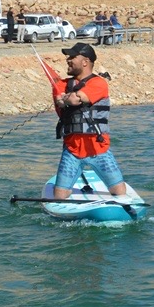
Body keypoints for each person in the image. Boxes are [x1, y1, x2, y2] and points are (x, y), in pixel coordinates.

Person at [50, 42, 128, 200]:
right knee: (59, 196)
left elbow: (76, 99)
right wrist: (64, 98)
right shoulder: (61, 84)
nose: (68, 59)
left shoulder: (99, 83)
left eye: (72, 56)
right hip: (72, 150)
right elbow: (63, 103)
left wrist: (64, 98)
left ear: (85, 61)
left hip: (99, 150)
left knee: (119, 192)